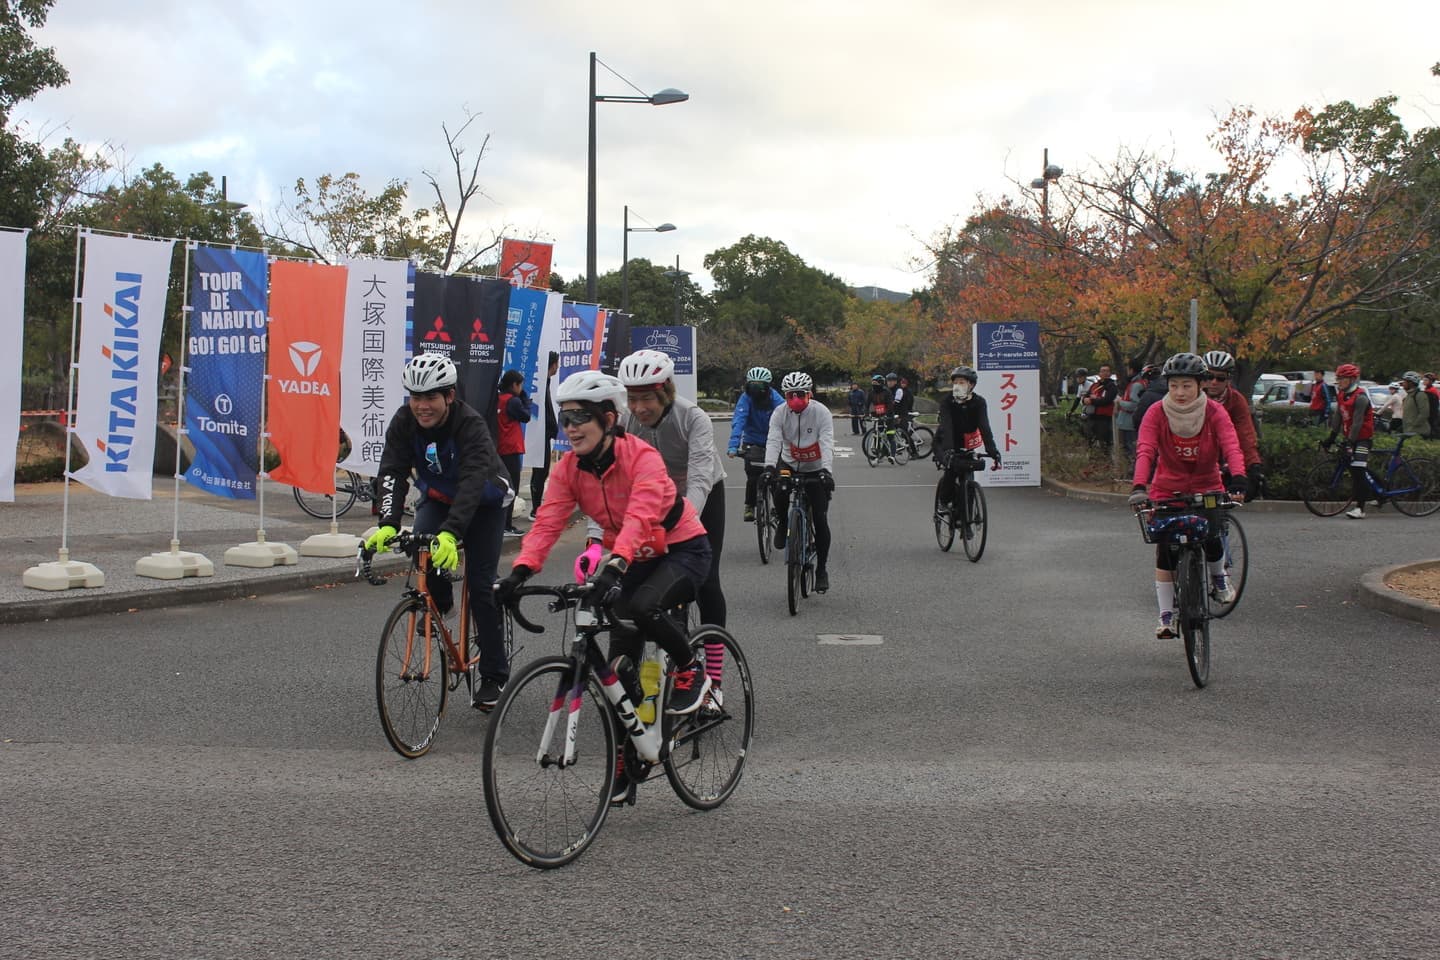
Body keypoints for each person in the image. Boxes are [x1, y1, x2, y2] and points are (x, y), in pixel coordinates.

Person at [495, 370, 714, 717]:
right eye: (566, 419)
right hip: (635, 556)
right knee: (619, 658)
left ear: (609, 419)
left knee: (643, 607)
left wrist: (615, 566)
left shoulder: (643, 458)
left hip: (682, 547)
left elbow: (640, 517)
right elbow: (548, 523)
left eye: (581, 417)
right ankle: (632, 739)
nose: (571, 428)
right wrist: (519, 573)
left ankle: (691, 668)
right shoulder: (569, 469)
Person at [364, 353, 513, 708]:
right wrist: (387, 524)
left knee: (481, 587)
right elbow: (392, 471)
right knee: (422, 553)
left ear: (449, 396)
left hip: (485, 501)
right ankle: (441, 604)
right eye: (415, 397)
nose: (422, 406)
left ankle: (494, 675)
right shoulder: (404, 421)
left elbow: (473, 482)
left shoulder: (470, 424)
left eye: (430, 397)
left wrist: (451, 532)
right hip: (439, 497)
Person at [1129, 352, 1248, 639]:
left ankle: (1219, 579)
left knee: (1212, 533)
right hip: (1167, 486)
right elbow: (1146, 449)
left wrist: (1239, 478)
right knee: (1166, 549)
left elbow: (1231, 445)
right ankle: (1166, 617)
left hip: (1207, 484)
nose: (1180, 392)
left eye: (1186, 385)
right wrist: (1139, 486)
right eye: (1174, 386)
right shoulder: (1156, 412)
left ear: (1200, 385)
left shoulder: (1214, 412)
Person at [618, 348, 729, 629]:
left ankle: (714, 652)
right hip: (655, 496)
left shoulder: (692, 417)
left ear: (666, 392)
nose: (639, 408)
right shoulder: (624, 421)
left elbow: (700, 479)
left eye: (647, 398)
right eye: (632, 399)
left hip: (703, 493)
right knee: (642, 576)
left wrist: (684, 524)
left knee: (706, 578)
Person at [764, 371, 836, 593]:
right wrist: (769, 467)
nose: (795, 399)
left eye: (800, 395)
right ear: (785, 396)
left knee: (820, 519)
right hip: (789, 464)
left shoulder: (821, 412)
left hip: (815, 468)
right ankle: (783, 522)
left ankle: (821, 569)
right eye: (790, 395)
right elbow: (774, 440)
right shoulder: (779, 413)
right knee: (779, 489)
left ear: (809, 394)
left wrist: (827, 471)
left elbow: (826, 442)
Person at [933, 365, 1001, 510]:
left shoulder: (979, 402)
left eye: (962, 382)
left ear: (971, 385)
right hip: (945, 441)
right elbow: (947, 426)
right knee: (951, 469)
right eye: (955, 382)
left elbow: (984, 427)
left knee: (968, 472)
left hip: (966, 443)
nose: (957, 386)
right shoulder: (947, 402)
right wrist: (949, 449)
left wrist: (992, 450)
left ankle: (966, 512)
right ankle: (943, 501)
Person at [1201, 351, 1264, 498]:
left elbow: (1245, 435)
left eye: (1220, 378)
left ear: (1228, 379)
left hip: (1222, 458)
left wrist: (1253, 465)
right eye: (1209, 376)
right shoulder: (1191, 398)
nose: (1214, 382)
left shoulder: (1236, 401)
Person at [728, 366, 784, 523]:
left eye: (759, 386)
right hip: (752, 441)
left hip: (773, 441)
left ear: (767, 386)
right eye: (752, 385)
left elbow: (786, 421)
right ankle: (749, 505)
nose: (755, 390)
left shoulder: (777, 400)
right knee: (753, 477)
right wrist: (733, 445)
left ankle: (779, 509)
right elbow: (739, 420)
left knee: (776, 478)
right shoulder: (746, 398)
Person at [1322, 362, 1376, 519]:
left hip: (1362, 439)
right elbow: (1338, 416)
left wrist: (1350, 441)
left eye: (1342, 379)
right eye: (1338, 378)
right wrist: (1331, 437)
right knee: (1355, 468)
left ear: (1352, 380)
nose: (1338, 382)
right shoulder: (1341, 395)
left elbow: (1358, 422)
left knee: (1358, 471)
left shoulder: (1360, 397)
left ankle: (1360, 509)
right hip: (1351, 437)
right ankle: (1379, 493)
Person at [496, 369, 530, 537]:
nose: (521, 388)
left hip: (499, 448)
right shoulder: (514, 401)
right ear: (514, 385)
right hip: (511, 448)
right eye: (520, 385)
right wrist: (525, 399)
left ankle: (500, 524)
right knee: (511, 488)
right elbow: (526, 416)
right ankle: (506, 525)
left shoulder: (497, 399)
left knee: (501, 486)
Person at [527, 351, 559, 519]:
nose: (558, 367)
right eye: (557, 364)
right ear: (552, 365)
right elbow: (544, 410)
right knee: (540, 470)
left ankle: (537, 507)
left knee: (542, 470)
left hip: (545, 434)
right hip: (540, 434)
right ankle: (535, 509)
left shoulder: (545, 383)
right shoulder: (540, 385)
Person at [1114, 360, 1148, 458]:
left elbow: (1135, 405)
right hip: (1128, 423)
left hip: (1129, 424)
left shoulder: (1136, 385)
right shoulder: (1138, 382)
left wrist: (1120, 401)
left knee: (1131, 450)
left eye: (1128, 369)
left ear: (1131, 370)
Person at [1081, 363, 1117, 447]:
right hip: (1091, 417)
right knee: (1090, 439)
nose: (1105, 373)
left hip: (1104, 419)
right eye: (1103, 371)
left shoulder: (1112, 386)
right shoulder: (1094, 385)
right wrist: (1084, 400)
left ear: (1110, 373)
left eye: (1107, 371)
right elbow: (1086, 396)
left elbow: (1106, 401)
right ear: (1099, 373)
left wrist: (1093, 400)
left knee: (1103, 441)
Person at [1400, 371, 1436, 438]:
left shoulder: (1420, 395)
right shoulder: (1408, 396)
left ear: (1411, 383)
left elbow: (1424, 414)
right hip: (1409, 432)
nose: (1403, 384)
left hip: (1419, 433)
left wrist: (1413, 425)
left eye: (1404, 381)